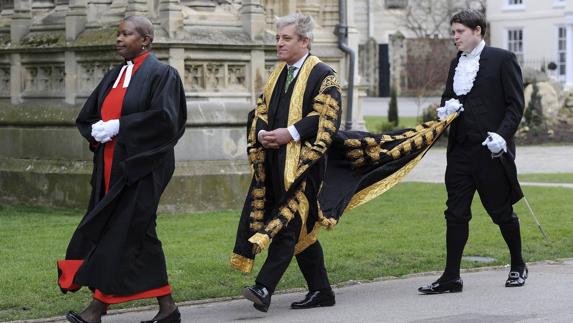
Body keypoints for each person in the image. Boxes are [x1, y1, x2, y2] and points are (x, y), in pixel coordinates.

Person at [57, 16, 186, 323]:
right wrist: (96, 131)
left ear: (145, 40)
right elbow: (87, 117)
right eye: (118, 34)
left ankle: (96, 309)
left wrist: (120, 125)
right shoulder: (114, 75)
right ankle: (168, 309)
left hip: (143, 167)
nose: (119, 39)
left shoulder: (162, 74)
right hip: (109, 167)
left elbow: (167, 120)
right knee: (140, 234)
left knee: (122, 232)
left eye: (127, 34)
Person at [230, 13, 342, 312]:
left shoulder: (324, 74)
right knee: (300, 230)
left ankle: (264, 288)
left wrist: (290, 134)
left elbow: (326, 117)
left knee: (287, 224)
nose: (279, 43)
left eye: (286, 38)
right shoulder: (278, 72)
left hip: (305, 165)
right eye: (278, 38)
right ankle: (322, 291)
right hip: (276, 161)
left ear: (304, 41)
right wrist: (264, 133)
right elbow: (262, 107)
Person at [418, 9, 527, 294]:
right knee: (455, 213)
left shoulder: (503, 60)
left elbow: (516, 105)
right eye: (453, 32)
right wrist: (446, 109)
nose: (455, 37)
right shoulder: (456, 63)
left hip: (491, 151)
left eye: (459, 32)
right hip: (460, 152)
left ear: (477, 31)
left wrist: (502, 136)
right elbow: (447, 98)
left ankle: (518, 265)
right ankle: (451, 277)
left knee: (501, 211)